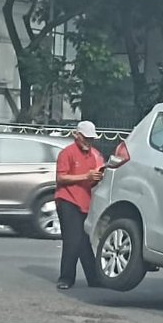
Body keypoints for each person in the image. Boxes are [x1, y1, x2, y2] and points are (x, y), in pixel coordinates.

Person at [54, 120, 105, 290]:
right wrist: (86, 177)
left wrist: (98, 177)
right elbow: (61, 178)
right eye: (86, 138)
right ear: (77, 135)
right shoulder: (67, 153)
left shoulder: (96, 155)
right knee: (72, 240)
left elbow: (100, 175)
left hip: (86, 201)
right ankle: (66, 278)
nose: (88, 142)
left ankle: (94, 278)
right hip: (67, 200)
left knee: (84, 241)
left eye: (91, 139)